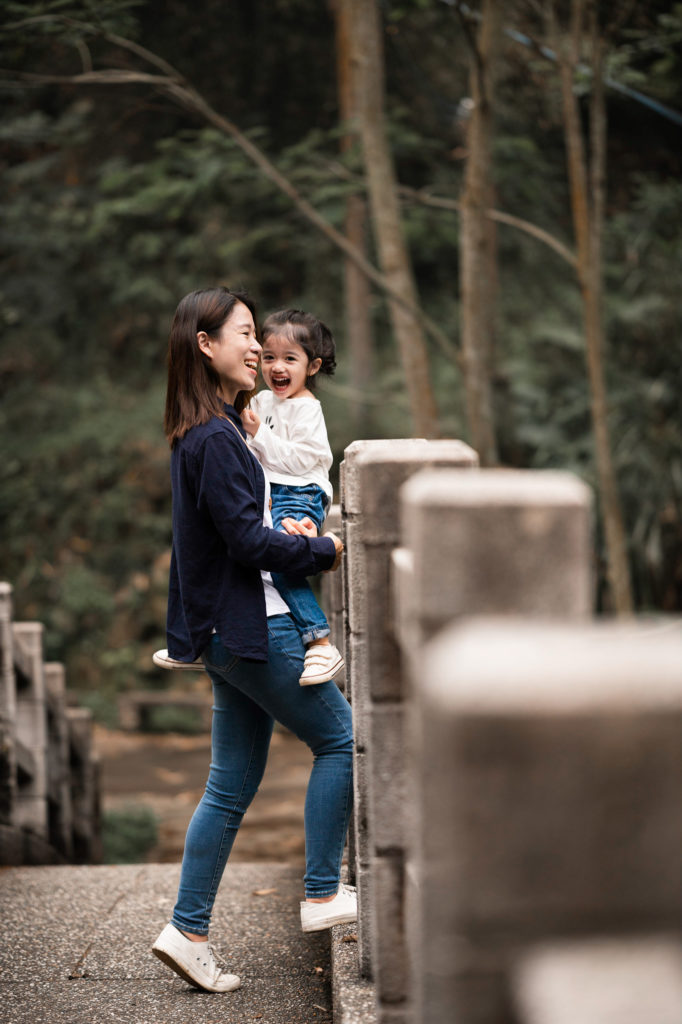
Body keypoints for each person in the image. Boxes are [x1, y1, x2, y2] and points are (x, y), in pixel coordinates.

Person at [151, 287, 356, 994]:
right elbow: (244, 542)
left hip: (222, 629)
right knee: (341, 741)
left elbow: (229, 531)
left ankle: (188, 931)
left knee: (230, 786)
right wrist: (320, 552)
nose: (256, 348)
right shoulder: (216, 438)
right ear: (205, 345)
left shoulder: (208, 430)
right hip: (255, 624)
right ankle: (324, 890)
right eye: (244, 333)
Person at [240, 309, 344, 686]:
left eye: (289, 359)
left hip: (302, 492)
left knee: (281, 557)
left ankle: (320, 640)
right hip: (270, 493)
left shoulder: (307, 409)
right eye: (269, 357)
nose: (277, 367)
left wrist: (258, 436)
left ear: (312, 366)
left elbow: (303, 461)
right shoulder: (261, 402)